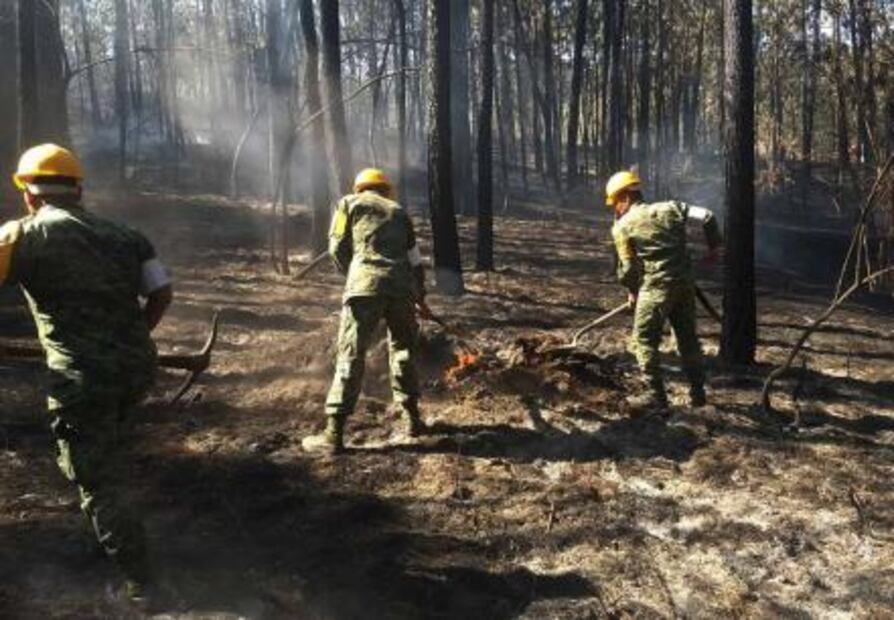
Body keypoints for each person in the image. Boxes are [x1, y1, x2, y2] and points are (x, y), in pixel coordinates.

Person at [0, 144, 173, 602]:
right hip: (135, 369)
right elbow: (161, 292)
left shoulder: (20, 235)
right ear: (78, 191)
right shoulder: (128, 235)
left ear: (28, 194)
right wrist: (132, 336)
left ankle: (143, 585)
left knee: (96, 477)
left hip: (82, 379)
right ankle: (117, 531)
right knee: (110, 451)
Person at [303, 168, 428, 455]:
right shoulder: (399, 212)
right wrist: (419, 294)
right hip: (401, 290)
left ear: (360, 188)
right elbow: (415, 260)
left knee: (351, 353)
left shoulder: (347, 203)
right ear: (386, 190)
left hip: (364, 288)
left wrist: (355, 275)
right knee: (403, 352)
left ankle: (333, 433)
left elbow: (336, 247)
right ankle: (413, 419)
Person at [606, 170, 722, 411]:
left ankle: (656, 398)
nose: (615, 209)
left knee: (643, 341)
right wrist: (715, 248)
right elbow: (708, 216)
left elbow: (628, 269)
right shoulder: (672, 207)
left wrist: (632, 291)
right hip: (685, 286)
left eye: (615, 203)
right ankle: (698, 394)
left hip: (655, 289)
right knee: (688, 340)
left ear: (625, 197)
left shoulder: (622, 227)